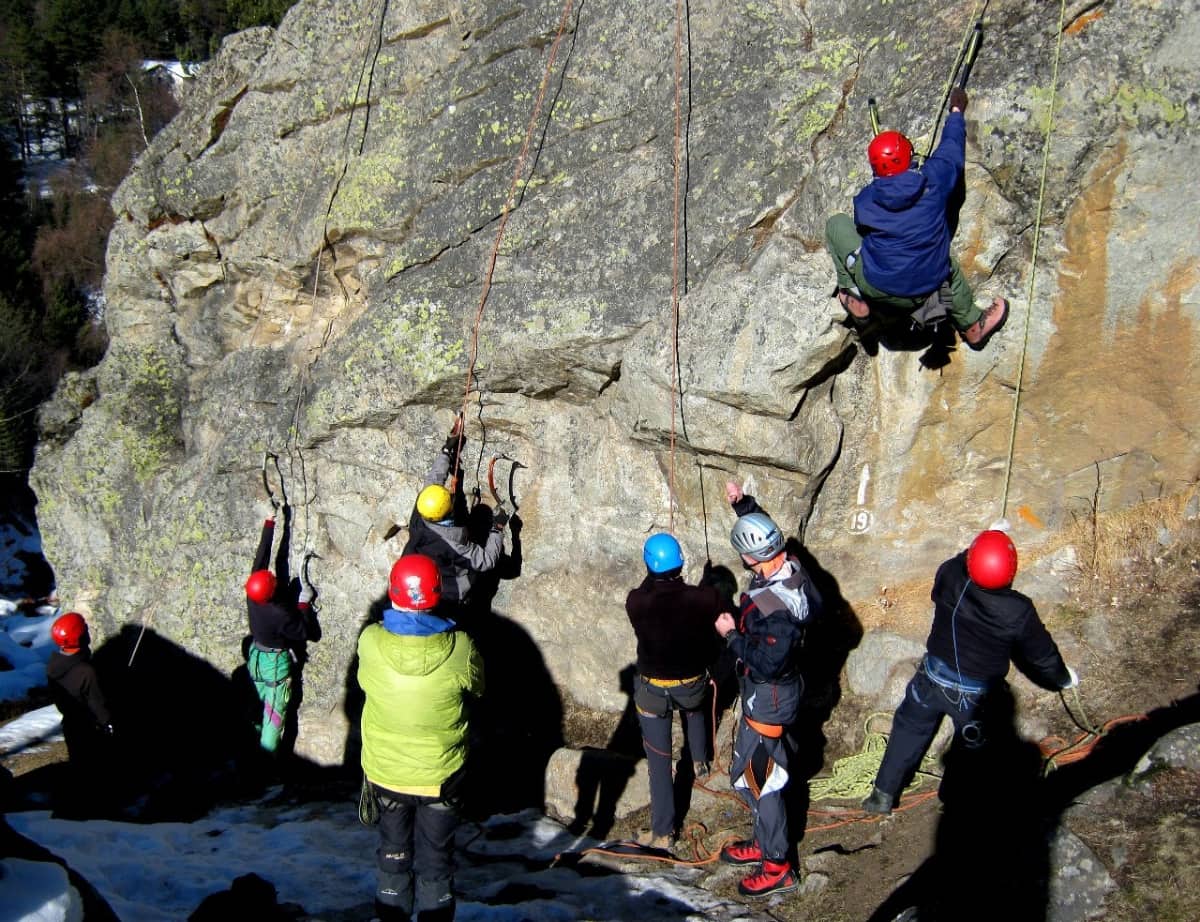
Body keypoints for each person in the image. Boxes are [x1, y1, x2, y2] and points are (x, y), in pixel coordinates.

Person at [861, 529, 1078, 815]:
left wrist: (981, 545)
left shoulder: (951, 577)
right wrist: (1062, 678)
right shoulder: (1018, 610)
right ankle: (952, 801)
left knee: (908, 731)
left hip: (931, 678)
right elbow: (1041, 655)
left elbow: (959, 564)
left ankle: (882, 795)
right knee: (969, 751)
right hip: (975, 697)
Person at [825, 87, 1008, 350]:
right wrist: (956, 112)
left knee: (836, 225)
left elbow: (862, 228)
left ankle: (853, 293)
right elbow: (951, 151)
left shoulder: (865, 201)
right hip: (927, 289)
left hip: (877, 286)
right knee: (950, 271)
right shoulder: (934, 181)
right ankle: (972, 325)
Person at [358, 553, 484, 922]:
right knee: (436, 862)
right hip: (440, 777)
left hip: (385, 774)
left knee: (393, 855)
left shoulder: (370, 641)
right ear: (436, 593)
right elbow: (477, 687)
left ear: (393, 592)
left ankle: (391, 913)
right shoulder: (460, 646)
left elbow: (365, 683)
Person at [714, 483, 823, 897]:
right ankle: (763, 841)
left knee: (762, 779)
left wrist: (730, 636)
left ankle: (777, 864)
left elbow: (765, 661)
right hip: (779, 691)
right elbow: (765, 534)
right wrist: (743, 504)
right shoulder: (791, 567)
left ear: (750, 557)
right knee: (754, 770)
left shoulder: (774, 609)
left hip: (770, 694)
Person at [625, 533, 728, 849]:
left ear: (649, 566)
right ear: (681, 562)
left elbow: (648, 588)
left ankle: (663, 832)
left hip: (653, 690)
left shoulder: (636, 602)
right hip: (691, 684)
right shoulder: (705, 598)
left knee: (659, 760)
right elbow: (708, 602)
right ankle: (700, 759)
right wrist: (706, 582)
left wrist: (654, 573)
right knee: (695, 710)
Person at [403, 418, 506, 611]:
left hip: (419, 581)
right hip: (449, 594)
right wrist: (497, 528)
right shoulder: (454, 546)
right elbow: (486, 561)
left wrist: (446, 451)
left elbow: (434, 479)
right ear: (447, 512)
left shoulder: (423, 508)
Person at [245, 504, 316, 754]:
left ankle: (251, 754)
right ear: (273, 590)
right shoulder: (281, 613)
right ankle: (265, 768)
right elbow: (305, 633)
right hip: (274, 663)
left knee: (257, 705)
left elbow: (263, 556)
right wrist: (303, 603)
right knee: (273, 717)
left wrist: (270, 523)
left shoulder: (253, 593)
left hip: (255, 657)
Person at [46, 611, 114, 814]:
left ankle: (79, 805)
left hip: (71, 725)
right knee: (94, 770)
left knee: (79, 766)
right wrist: (109, 724)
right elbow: (98, 705)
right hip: (90, 728)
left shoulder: (53, 666)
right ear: (82, 637)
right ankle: (93, 808)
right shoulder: (86, 672)